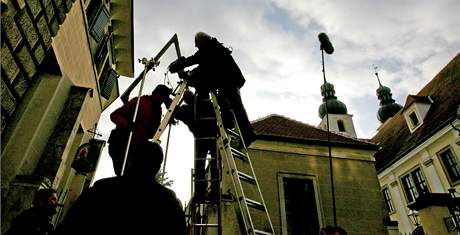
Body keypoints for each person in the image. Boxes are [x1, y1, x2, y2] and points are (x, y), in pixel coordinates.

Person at [54, 140, 186, 235]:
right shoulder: (168, 202)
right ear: (157, 168)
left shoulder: (100, 191)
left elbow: (70, 227)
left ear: (130, 161)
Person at [169, 32, 256, 146]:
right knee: (228, 104)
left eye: (196, 43)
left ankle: (247, 134)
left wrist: (177, 66)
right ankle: (232, 125)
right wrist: (188, 72)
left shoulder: (209, 49)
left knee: (236, 107)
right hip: (227, 80)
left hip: (229, 80)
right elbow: (203, 66)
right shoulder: (213, 48)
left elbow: (195, 60)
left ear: (202, 41)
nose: (195, 46)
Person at [108, 84, 172, 176]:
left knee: (135, 176)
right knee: (124, 175)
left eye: (165, 97)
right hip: (121, 143)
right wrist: (127, 125)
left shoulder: (157, 111)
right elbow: (114, 115)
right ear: (155, 93)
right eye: (162, 95)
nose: (162, 99)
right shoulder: (139, 102)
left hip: (136, 147)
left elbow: (152, 132)